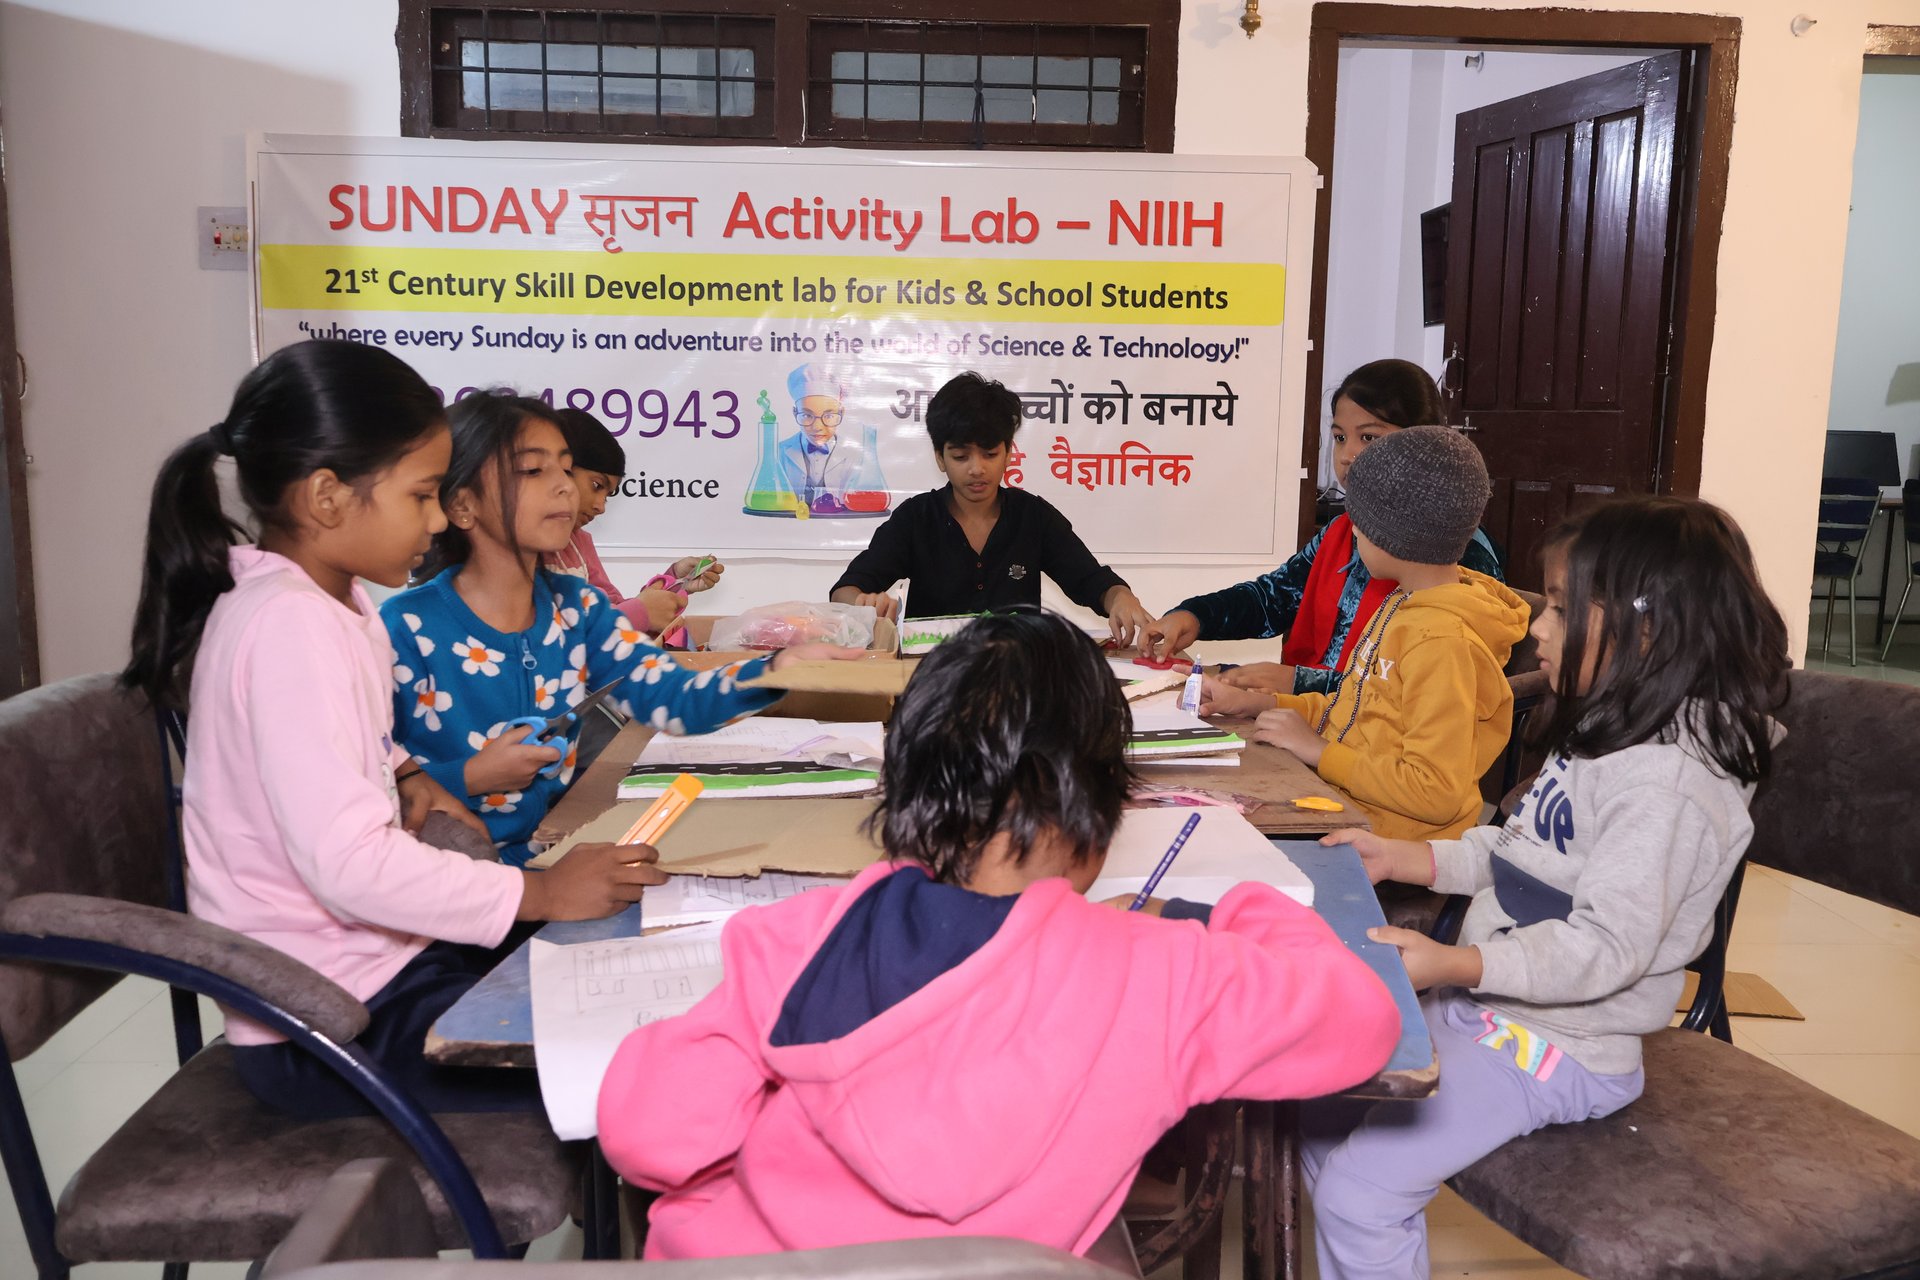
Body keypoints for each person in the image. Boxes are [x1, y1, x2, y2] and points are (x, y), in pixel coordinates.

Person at [597, 610, 1400, 1259]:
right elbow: (1362, 1022)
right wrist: (1226, 914)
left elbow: (648, 1137)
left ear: (901, 785)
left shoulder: (794, 940)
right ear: (1102, 805)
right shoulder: (1167, 978)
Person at [120, 340, 670, 1119]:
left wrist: (410, 773)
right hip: (327, 1025)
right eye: (421, 496)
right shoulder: (289, 629)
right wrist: (539, 891)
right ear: (327, 498)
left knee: (627, 978)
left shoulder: (330, 607)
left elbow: (340, 746)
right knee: (642, 1061)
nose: (437, 517)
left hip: (377, 971)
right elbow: (350, 866)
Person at [1300, 496, 1789, 1280]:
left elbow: (1606, 947)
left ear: (1645, 626)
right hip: (1495, 1009)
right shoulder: (1614, 734)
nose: (1538, 628)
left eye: (1561, 608)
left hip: (1561, 1047)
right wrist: (1409, 859)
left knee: (1360, 1195)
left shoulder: (1667, 783)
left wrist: (1454, 965)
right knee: (1318, 1115)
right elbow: (1522, 849)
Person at [382, 390, 859, 867]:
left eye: (566, 469)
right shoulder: (404, 629)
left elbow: (677, 700)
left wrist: (776, 669)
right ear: (463, 505)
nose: (565, 487)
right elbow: (358, 786)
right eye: (534, 470)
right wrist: (470, 776)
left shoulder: (579, 608)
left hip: (546, 854)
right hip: (436, 877)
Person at [1198, 426, 1527, 842]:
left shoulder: (1442, 644)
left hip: (1391, 841)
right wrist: (1257, 704)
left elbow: (1435, 792)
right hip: (1347, 806)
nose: (1351, 534)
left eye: (1360, 525)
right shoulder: (1402, 604)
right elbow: (1355, 713)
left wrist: (1320, 753)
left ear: (1395, 536)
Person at [1146, 360, 1503, 695]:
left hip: (1378, 742)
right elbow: (1275, 598)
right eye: (1339, 437)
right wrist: (1194, 615)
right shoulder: (1342, 530)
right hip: (1307, 716)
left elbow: (1418, 688)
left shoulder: (1452, 550)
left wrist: (1296, 682)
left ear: (1424, 444)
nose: (1347, 455)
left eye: (1369, 438)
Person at [829, 371, 1155, 645]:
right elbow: (845, 590)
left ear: (1008, 454)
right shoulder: (916, 518)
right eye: (960, 456)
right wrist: (862, 603)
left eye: (989, 454)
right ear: (940, 458)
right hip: (934, 682)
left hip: (1018, 681)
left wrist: (1120, 597)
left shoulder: (1033, 517)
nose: (977, 469)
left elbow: (1090, 581)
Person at [544, 406, 723, 647]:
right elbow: (552, 637)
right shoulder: (511, 552)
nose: (601, 507)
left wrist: (672, 585)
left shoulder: (579, 542)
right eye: (597, 485)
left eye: (608, 496)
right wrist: (641, 612)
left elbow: (613, 613)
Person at [778, 363, 862, 514]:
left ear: (841, 412)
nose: (817, 426)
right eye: (807, 415)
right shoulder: (779, 453)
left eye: (829, 416)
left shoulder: (856, 455)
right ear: (794, 412)